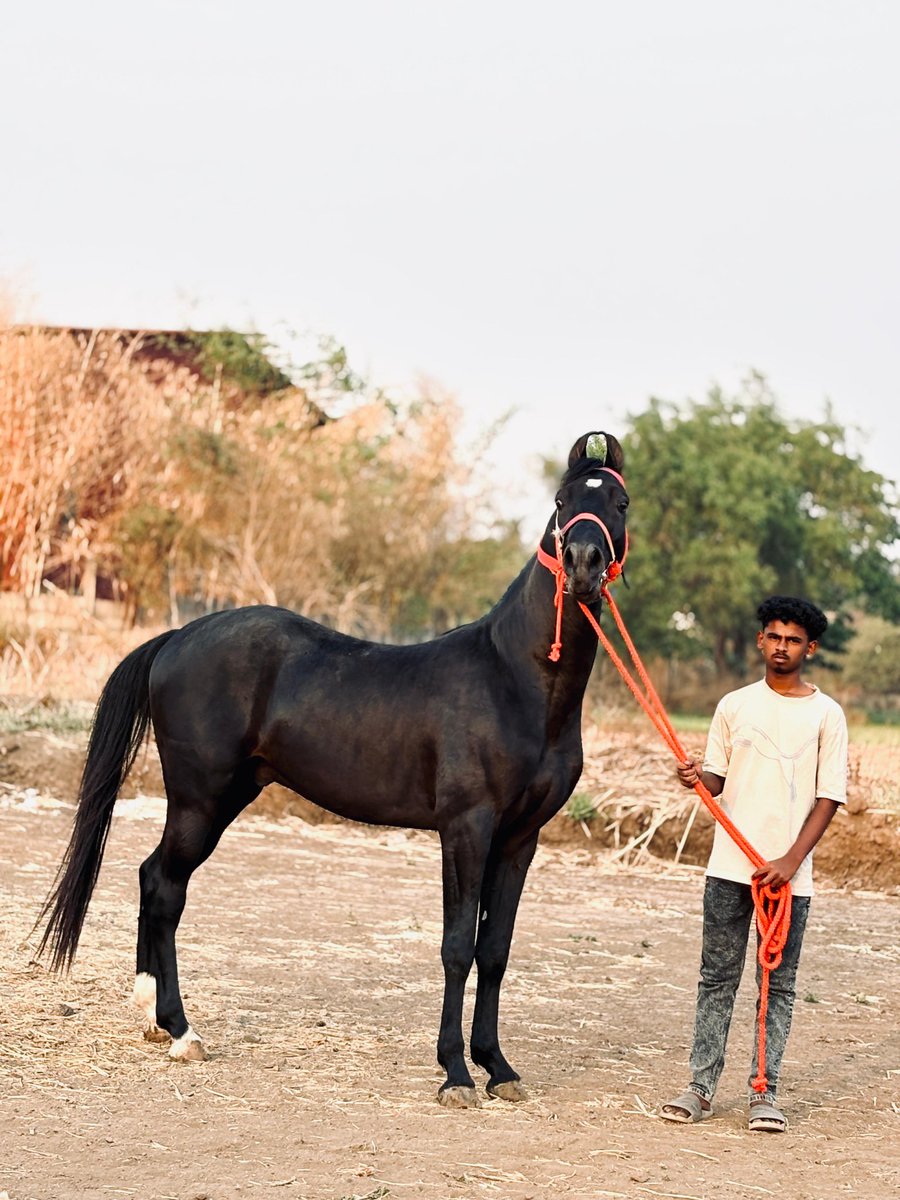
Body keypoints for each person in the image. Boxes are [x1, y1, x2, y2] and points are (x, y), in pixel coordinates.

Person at [659, 595, 848, 1133]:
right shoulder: (734, 705)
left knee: (778, 985)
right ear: (761, 641)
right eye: (774, 636)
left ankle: (764, 1091)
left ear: (810, 648)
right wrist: (696, 776)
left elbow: (829, 797)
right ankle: (700, 1086)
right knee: (716, 977)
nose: (782, 647)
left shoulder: (825, 715)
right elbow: (717, 782)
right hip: (728, 870)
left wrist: (790, 860)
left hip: (788, 877)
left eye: (793, 640)